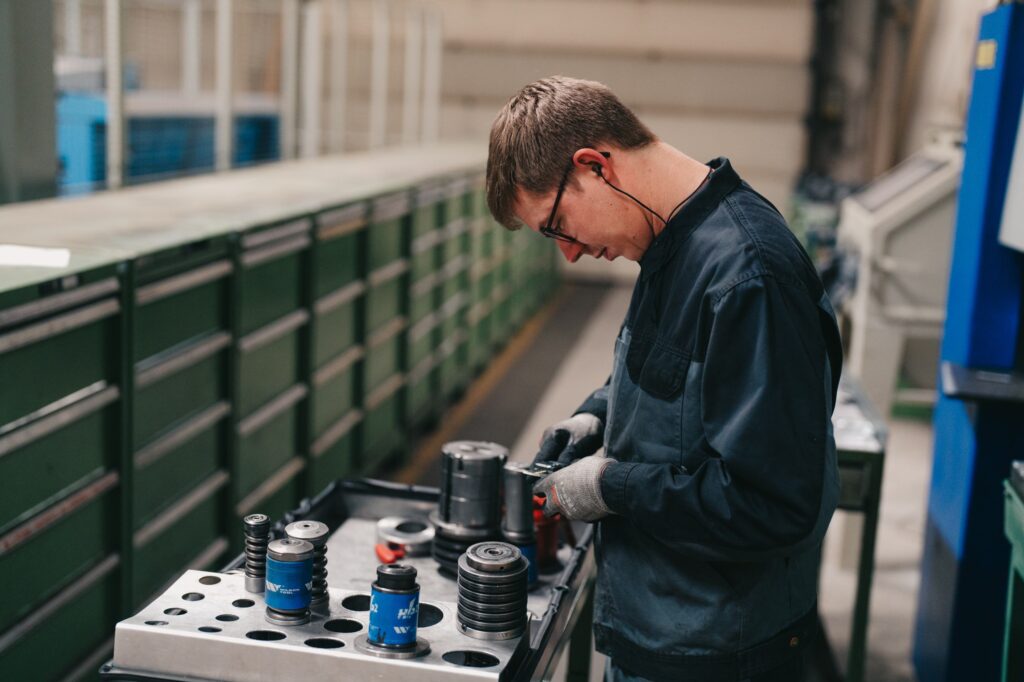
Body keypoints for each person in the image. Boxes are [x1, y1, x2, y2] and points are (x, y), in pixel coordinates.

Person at [485, 76, 843, 682]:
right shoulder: (670, 241)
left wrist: (613, 487)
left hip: (719, 653)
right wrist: (595, 416)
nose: (567, 253)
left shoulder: (747, 278)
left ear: (595, 166)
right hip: (659, 628)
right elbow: (670, 376)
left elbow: (772, 505)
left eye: (557, 225)